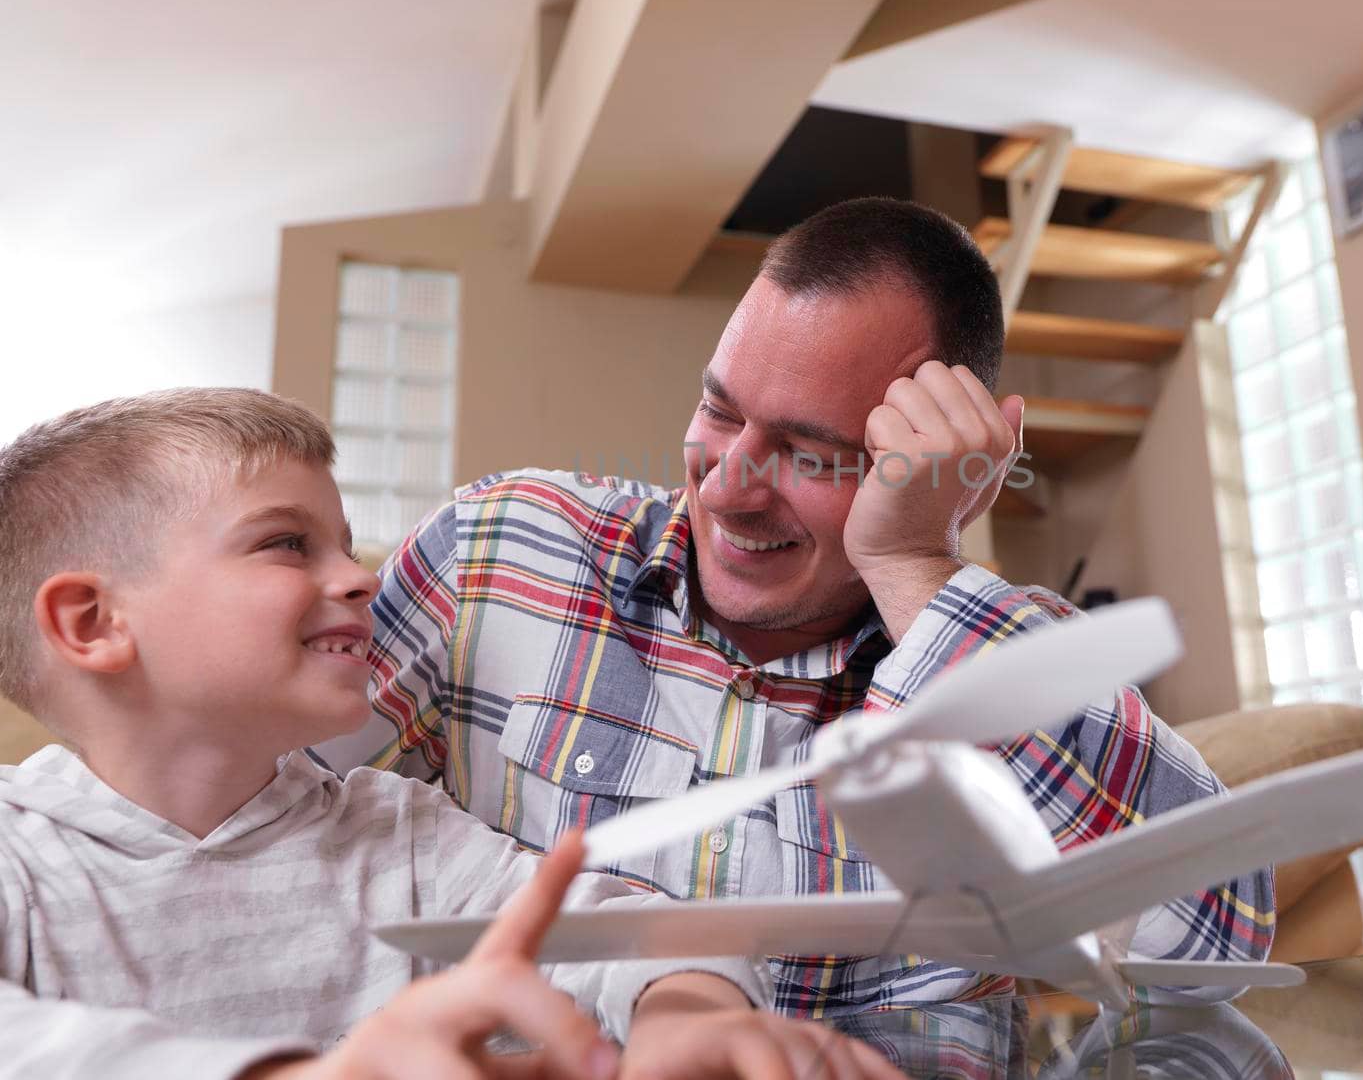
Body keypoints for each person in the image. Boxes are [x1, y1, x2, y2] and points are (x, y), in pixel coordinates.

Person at [319, 197, 1276, 1016]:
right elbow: (252, 805)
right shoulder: (505, 545)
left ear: (969, 464)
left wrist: (912, 564)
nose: (729, 488)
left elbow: (1208, 958)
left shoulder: (1018, 674)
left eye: (813, 453)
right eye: (721, 412)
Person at [0, 389, 905, 1080]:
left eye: (345, 545)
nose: (358, 578)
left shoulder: (398, 834)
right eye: (285, 543)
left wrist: (688, 1011)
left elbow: (624, 930)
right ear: (92, 623)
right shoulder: (21, 858)